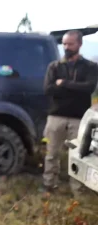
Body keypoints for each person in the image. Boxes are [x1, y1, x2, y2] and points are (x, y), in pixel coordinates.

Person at [41, 30, 98, 195]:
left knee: (79, 155)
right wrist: (74, 87)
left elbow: (89, 88)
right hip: (55, 117)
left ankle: (78, 190)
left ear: (79, 44)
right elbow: (48, 89)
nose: (66, 47)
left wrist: (64, 83)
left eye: (70, 44)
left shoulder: (90, 67)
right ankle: (49, 185)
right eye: (64, 44)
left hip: (79, 118)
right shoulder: (54, 66)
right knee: (51, 153)